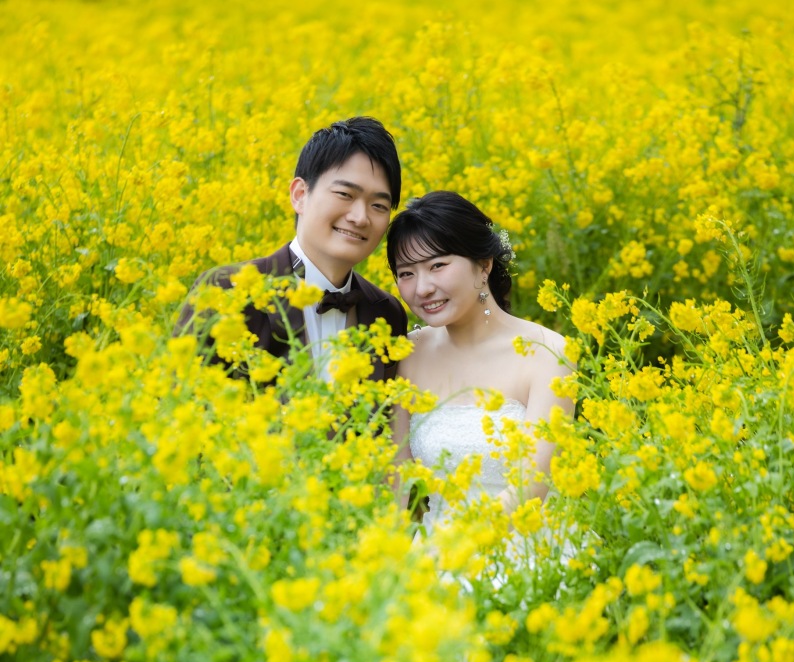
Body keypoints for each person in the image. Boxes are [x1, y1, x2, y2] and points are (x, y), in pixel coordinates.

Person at [386, 191, 575, 538]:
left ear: (484, 265)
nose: (422, 288)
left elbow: (531, 485)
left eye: (437, 265)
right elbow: (398, 481)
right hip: (431, 553)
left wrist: (452, 550)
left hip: (523, 549)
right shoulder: (407, 354)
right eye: (406, 273)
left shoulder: (547, 352)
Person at [173, 117, 407, 384]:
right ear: (299, 195)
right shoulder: (226, 291)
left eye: (378, 206)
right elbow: (178, 405)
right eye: (345, 194)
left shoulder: (387, 313)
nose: (360, 217)